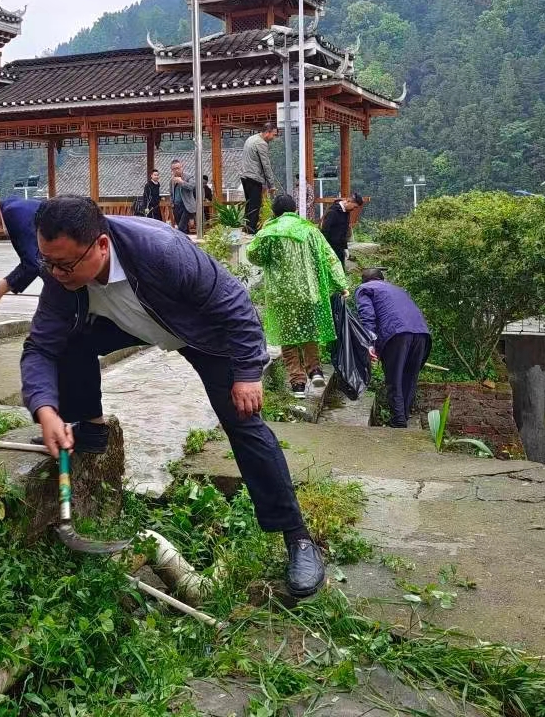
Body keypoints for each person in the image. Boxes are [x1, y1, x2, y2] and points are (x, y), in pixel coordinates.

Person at [22, 197, 326, 597]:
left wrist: (248, 373)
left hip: (204, 335)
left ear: (100, 245)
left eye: (65, 265)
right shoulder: (63, 276)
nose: (56, 274)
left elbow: (233, 301)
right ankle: (89, 431)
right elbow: (40, 347)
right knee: (66, 342)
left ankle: (297, 538)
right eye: (48, 263)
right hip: (137, 324)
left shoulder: (160, 251)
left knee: (244, 426)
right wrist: (45, 410)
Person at [247, 194, 348, 396]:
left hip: (281, 295)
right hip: (309, 293)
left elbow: (254, 255)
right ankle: (315, 370)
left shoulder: (270, 232)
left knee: (288, 338)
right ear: (295, 210)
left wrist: (265, 229)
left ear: (275, 213)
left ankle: (298, 383)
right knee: (309, 332)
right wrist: (341, 284)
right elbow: (330, 258)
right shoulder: (311, 231)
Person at [354, 268, 432, 428]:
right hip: (422, 333)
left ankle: (398, 421)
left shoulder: (365, 289)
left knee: (394, 378)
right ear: (382, 279)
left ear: (364, 281)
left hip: (396, 334)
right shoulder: (398, 289)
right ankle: (403, 415)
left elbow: (367, 315)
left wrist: (369, 343)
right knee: (410, 377)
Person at [240, 123, 279, 233]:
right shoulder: (261, 143)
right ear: (267, 132)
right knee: (255, 206)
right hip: (254, 177)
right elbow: (266, 165)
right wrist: (271, 185)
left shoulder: (251, 139)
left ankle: (246, 229)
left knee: (249, 205)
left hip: (244, 176)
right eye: (274, 134)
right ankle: (251, 232)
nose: (274, 138)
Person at [319, 192, 364, 265]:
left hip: (340, 249)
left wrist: (345, 248)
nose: (353, 209)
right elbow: (325, 231)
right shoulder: (333, 212)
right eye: (354, 207)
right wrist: (324, 248)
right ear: (349, 201)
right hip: (330, 248)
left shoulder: (346, 213)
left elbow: (344, 231)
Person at [170, 159, 198, 235]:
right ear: (172, 170)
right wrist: (172, 203)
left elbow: (192, 186)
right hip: (176, 206)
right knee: (182, 227)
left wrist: (181, 182)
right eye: (174, 169)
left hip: (186, 206)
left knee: (181, 228)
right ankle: (186, 243)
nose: (176, 170)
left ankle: (182, 243)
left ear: (182, 167)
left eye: (178, 168)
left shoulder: (189, 176)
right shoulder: (172, 180)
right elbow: (171, 193)